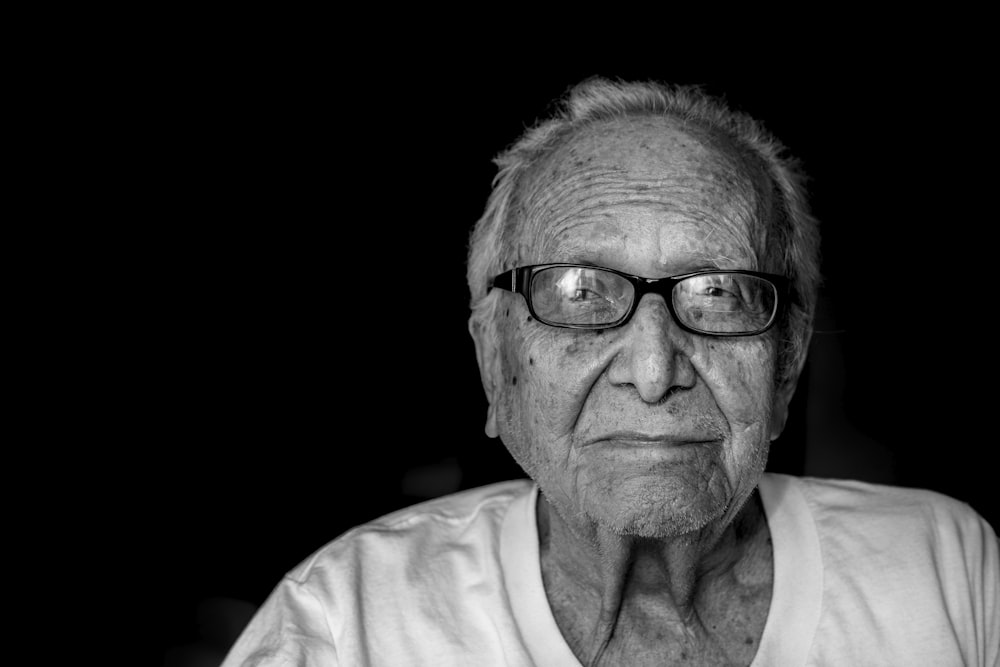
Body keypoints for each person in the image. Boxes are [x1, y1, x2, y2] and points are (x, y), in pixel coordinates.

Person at [220, 77, 999, 666]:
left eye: (719, 293)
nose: (655, 371)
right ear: (496, 361)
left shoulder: (945, 568)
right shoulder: (347, 622)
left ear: (787, 362)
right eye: (579, 291)